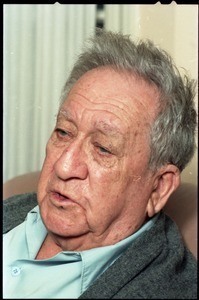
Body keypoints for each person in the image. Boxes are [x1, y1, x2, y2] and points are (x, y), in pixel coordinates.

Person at [3, 29, 197, 299]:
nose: (64, 166)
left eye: (103, 149)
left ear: (159, 188)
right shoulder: (13, 210)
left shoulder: (169, 289)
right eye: (63, 132)